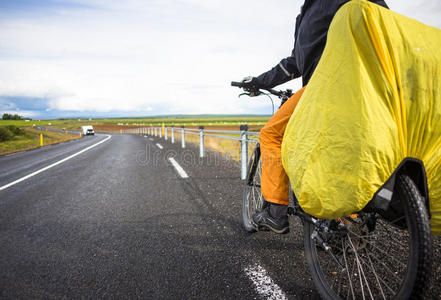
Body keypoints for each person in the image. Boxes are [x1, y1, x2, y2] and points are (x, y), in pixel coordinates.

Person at [241, 0, 389, 234]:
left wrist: (258, 83)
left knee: (270, 135)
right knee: (339, 148)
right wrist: (260, 80)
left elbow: (296, 63)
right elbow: (295, 64)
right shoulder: (307, 14)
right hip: (368, 90)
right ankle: (344, 222)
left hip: (325, 88)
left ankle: (275, 212)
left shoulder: (313, 11)